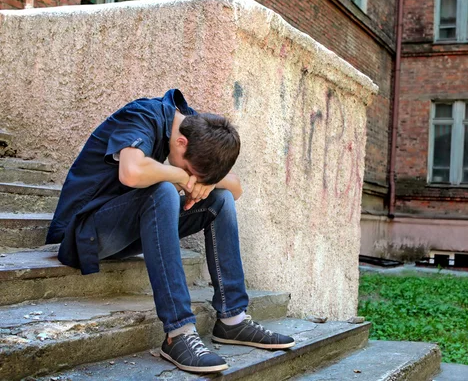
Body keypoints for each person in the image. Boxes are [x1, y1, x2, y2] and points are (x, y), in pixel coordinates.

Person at [46, 89, 294, 373]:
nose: (190, 181)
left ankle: (232, 320)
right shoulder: (140, 115)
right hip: (85, 233)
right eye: (190, 170)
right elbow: (132, 172)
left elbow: (236, 188)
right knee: (162, 190)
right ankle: (178, 333)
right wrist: (179, 175)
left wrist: (209, 184)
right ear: (180, 142)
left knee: (221, 198)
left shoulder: (195, 128)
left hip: (130, 230)